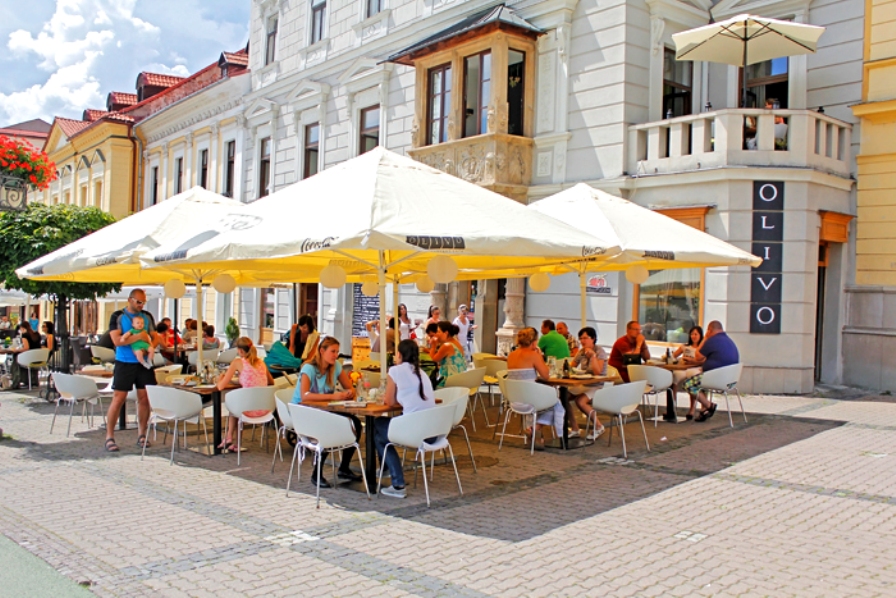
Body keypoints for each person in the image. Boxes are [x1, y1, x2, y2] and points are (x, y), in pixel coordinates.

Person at [291, 336, 363, 487]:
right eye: (332, 351)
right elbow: (305, 396)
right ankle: (316, 474)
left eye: (337, 352)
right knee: (329, 428)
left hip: (324, 411)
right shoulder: (309, 368)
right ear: (322, 351)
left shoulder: (335, 366)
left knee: (355, 423)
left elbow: (350, 388)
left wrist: (349, 392)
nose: (335, 355)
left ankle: (344, 467)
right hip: (303, 413)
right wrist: (334, 396)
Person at [375, 340, 436, 498]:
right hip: (433, 432)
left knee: (377, 427)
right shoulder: (422, 373)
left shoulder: (395, 370)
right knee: (381, 432)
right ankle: (388, 470)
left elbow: (389, 401)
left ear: (399, 355)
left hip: (414, 433)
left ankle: (397, 482)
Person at [105, 289, 159, 453]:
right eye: (138, 302)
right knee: (118, 398)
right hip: (124, 362)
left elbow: (155, 337)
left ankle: (142, 434)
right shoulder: (118, 316)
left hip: (143, 363)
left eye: (143, 302)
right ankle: (109, 436)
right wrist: (139, 337)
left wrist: (148, 347)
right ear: (130, 300)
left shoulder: (147, 316)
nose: (141, 305)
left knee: (144, 398)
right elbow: (117, 341)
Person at [506, 327, 564, 450]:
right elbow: (546, 375)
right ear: (534, 341)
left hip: (515, 401)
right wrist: (539, 355)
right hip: (530, 401)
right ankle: (534, 428)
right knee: (556, 403)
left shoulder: (511, 355)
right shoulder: (533, 355)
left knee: (546, 402)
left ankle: (534, 434)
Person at [216, 336, 275, 451]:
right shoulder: (261, 363)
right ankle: (235, 443)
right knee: (238, 403)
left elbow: (220, 386)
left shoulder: (237, 362)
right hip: (265, 410)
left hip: (247, 410)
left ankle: (229, 436)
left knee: (234, 406)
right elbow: (271, 382)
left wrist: (220, 378)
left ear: (240, 351)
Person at [682, 321, 740, 422]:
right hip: (730, 380)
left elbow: (698, 356)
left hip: (717, 378)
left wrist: (705, 338)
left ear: (709, 330)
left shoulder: (712, 340)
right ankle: (704, 410)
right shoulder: (728, 340)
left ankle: (709, 406)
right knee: (701, 380)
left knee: (688, 384)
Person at [567, 327, 609, 439]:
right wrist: (569, 368)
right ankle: (575, 428)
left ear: (593, 338)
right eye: (581, 338)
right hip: (584, 384)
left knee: (580, 401)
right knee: (563, 398)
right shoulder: (582, 352)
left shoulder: (599, 351)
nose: (582, 341)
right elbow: (572, 367)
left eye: (585, 338)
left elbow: (598, 372)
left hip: (597, 385)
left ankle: (599, 426)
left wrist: (593, 356)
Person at [673, 325, 704, 420]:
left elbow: (704, 361)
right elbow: (673, 356)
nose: (694, 336)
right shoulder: (685, 347)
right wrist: (678, 360)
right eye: (692, 334)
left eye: (696, 334)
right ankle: (672, 407)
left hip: (695, 369)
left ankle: (692, 408)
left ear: (700, 335)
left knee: (692, 378)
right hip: (683, 368)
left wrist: (692, 361)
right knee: (674, 376)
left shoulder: (702, 348)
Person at [429, 321, 466, 387]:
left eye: (438, 332)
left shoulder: (447, 345)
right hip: (460, 378)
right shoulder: (455, 342)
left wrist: (433, 345)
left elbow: (433, 360)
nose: (436, 334)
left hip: (450, 381)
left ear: (446, 333)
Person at [8, 321, 43, 389]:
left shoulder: (25, 335)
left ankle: (16, 381)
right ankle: (32, 381)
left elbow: (26, 348)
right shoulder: (37, 334)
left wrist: (16, 350)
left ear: (22, 328)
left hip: (29, 358)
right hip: (38, 357)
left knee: (16, 357)